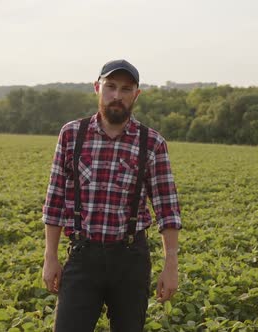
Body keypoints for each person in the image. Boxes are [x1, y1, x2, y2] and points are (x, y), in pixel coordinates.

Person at [41, 59, 182, 331]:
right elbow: (55, 200)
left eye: (126, 89)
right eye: (111, 86)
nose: (117, 95)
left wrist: (171, 266)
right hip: (83, 255)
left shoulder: (151, 142)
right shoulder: (71, 135)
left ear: (136, 95)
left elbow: (167, 209)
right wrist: (50, 257)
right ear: (97, 88)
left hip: (130, 259)